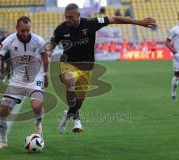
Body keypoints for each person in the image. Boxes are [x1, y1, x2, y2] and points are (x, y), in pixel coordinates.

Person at [48, 3, 156, 134]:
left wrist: (140, 22)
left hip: (86, 67)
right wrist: (48, 51)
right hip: (68, 64)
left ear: (78, 16)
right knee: (69, 81)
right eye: (66, 17)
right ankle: (77, 119)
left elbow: (115, 19)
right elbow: (52, 44)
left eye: (71, 17)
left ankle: (69, 114)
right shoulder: (61, 29)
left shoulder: (90, 24)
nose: (68, 20)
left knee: (80, 100)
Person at [0, 16, 48, 149]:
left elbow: (45, 58)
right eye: (23, 31)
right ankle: (3, 141)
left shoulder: (38, 40)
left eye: (28, 30)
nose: (26, 33)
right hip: (17, 79)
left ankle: (38, 126)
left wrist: (45, 76)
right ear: (17, 28)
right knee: (3, 109)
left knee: (36, 106)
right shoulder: (9, 41)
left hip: (36, 77)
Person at [166, 13, 179, 101]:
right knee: (177, 75)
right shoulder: (174, 29)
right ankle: (173, 92)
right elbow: (167, 42)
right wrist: (173, 51)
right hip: (178, 55)